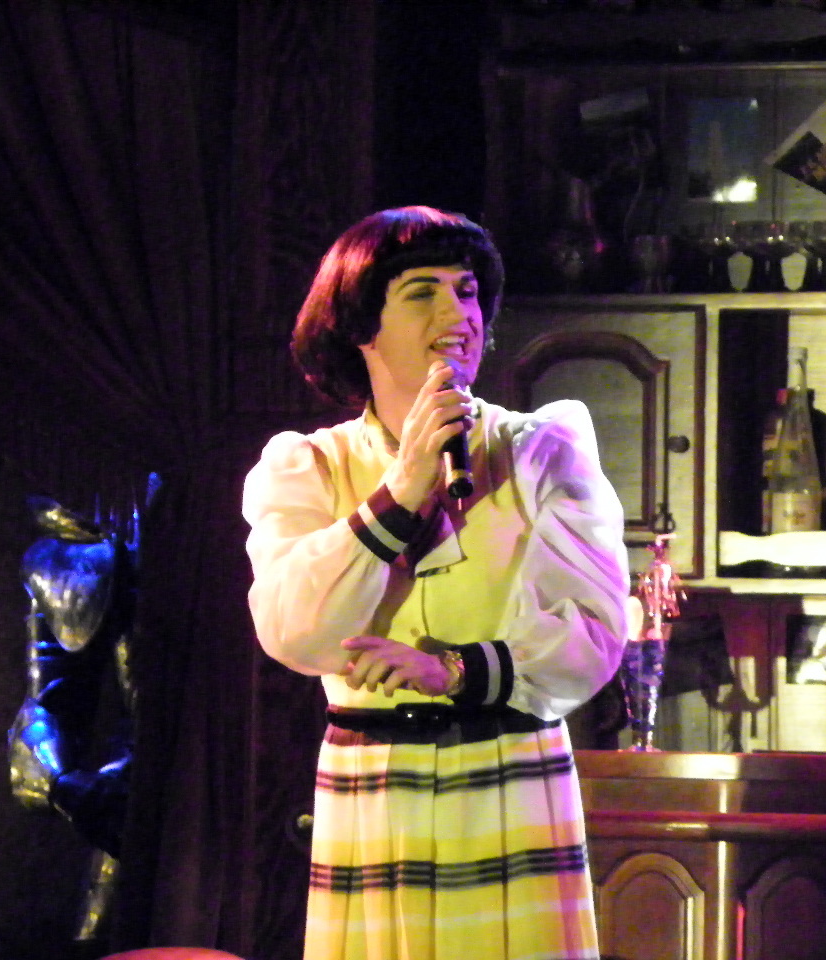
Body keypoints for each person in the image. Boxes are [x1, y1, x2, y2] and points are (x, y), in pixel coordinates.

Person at [242, 205, 630, 960]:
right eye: (423, 292)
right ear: (360, 325)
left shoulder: (541, 451)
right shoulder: (308, 467)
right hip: (376, 785)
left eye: (468, 290)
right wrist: (401, 491)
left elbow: (593, 635)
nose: (458, 314)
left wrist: (453, 671)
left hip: (508, 774)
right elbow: (294, 632)